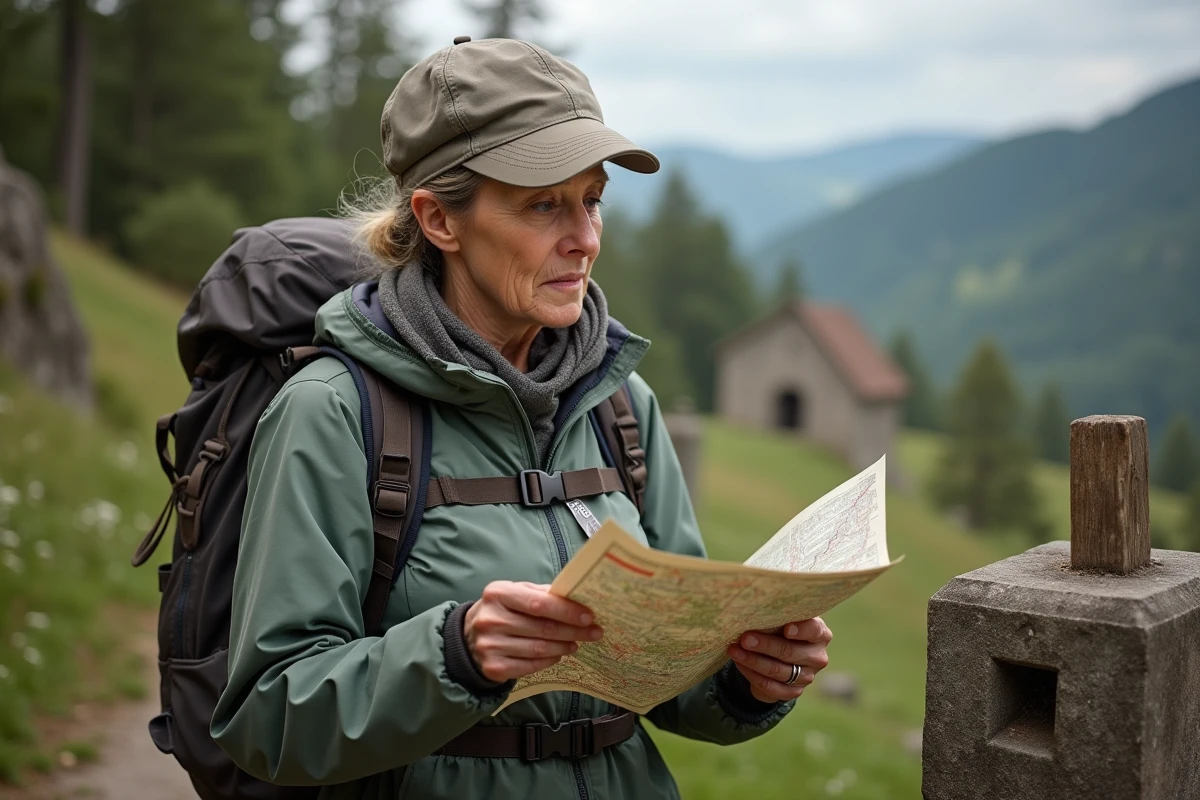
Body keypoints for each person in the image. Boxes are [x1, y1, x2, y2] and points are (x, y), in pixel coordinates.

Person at [211, 36, 832, 799]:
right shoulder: (334, 413)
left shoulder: (618, 405)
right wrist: (452, 654)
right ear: (439, 219)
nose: (586, 238)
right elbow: (267, 719)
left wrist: (747, 679)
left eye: (592, 199)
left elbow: (671, 678)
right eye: (545, 205)